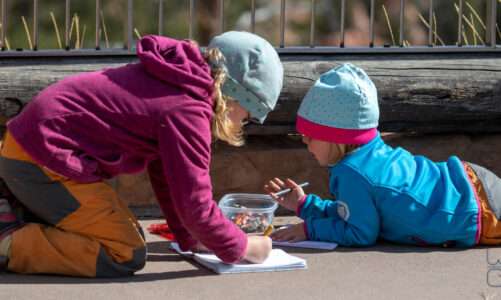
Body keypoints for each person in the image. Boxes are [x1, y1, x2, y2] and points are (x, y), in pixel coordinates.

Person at [0, 31, 283, 277]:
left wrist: (190, 237)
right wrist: (243, 247)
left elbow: (168, 178)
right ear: (233, 94)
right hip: (43, 160)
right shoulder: (188, 110)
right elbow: (196, 204)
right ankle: (9, 244)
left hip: (31, 148)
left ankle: (13, 209)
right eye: (248, 115)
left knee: (119, 232)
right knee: (124, 251)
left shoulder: (178, 84)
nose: (244, 123)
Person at [265, 63, 501, 248]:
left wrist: (309, 230)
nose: (304, 141)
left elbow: (360, 232)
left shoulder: (353, 173)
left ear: (336, 138)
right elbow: (351, 213)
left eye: (311, 135)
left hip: (475, 211)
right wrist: (305, 205)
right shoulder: (369, 154)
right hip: (465, 184)